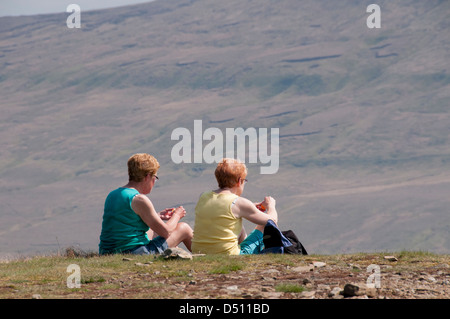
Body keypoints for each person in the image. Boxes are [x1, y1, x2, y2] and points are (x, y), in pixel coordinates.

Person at [99, 153, 193, 255]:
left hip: (108, 252)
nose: (154, 182)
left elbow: (127, 222)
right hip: (134, 252)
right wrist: (177, 215)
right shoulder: (139, 199)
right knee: (184, 228)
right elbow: (166, 232)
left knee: (154, 231)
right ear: (147, 176)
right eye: (155, 177)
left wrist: (157, 216)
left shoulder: (113, 194)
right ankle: (209, 257)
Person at [192, 158, 278, 255]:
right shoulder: (239, 203)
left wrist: (251, 207)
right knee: (264, 225)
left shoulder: (204, 196)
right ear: (239, 181)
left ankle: (245, 247)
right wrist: (271, 205)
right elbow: (272, 221)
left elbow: (222, 209)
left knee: (235, 224)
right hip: (229, 256)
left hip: (199, 253)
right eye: (244, 181)